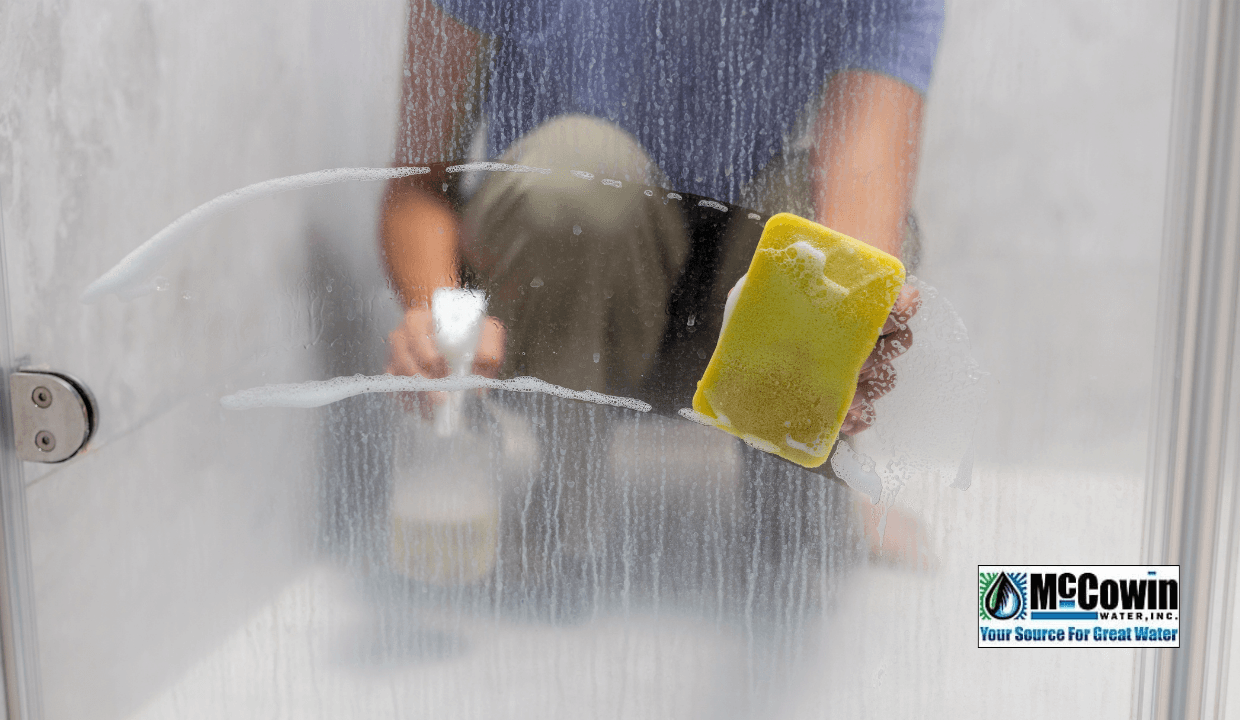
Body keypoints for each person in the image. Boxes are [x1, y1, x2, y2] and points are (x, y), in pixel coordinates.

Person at [380, 0, 944, 583]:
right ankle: (568, 520)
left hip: (730, 331)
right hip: (550, 312)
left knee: (830, 258)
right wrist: (440, 317)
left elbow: (857, 222)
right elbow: (419, 183)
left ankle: (796, 523)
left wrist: (845, 332)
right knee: (576, 175)